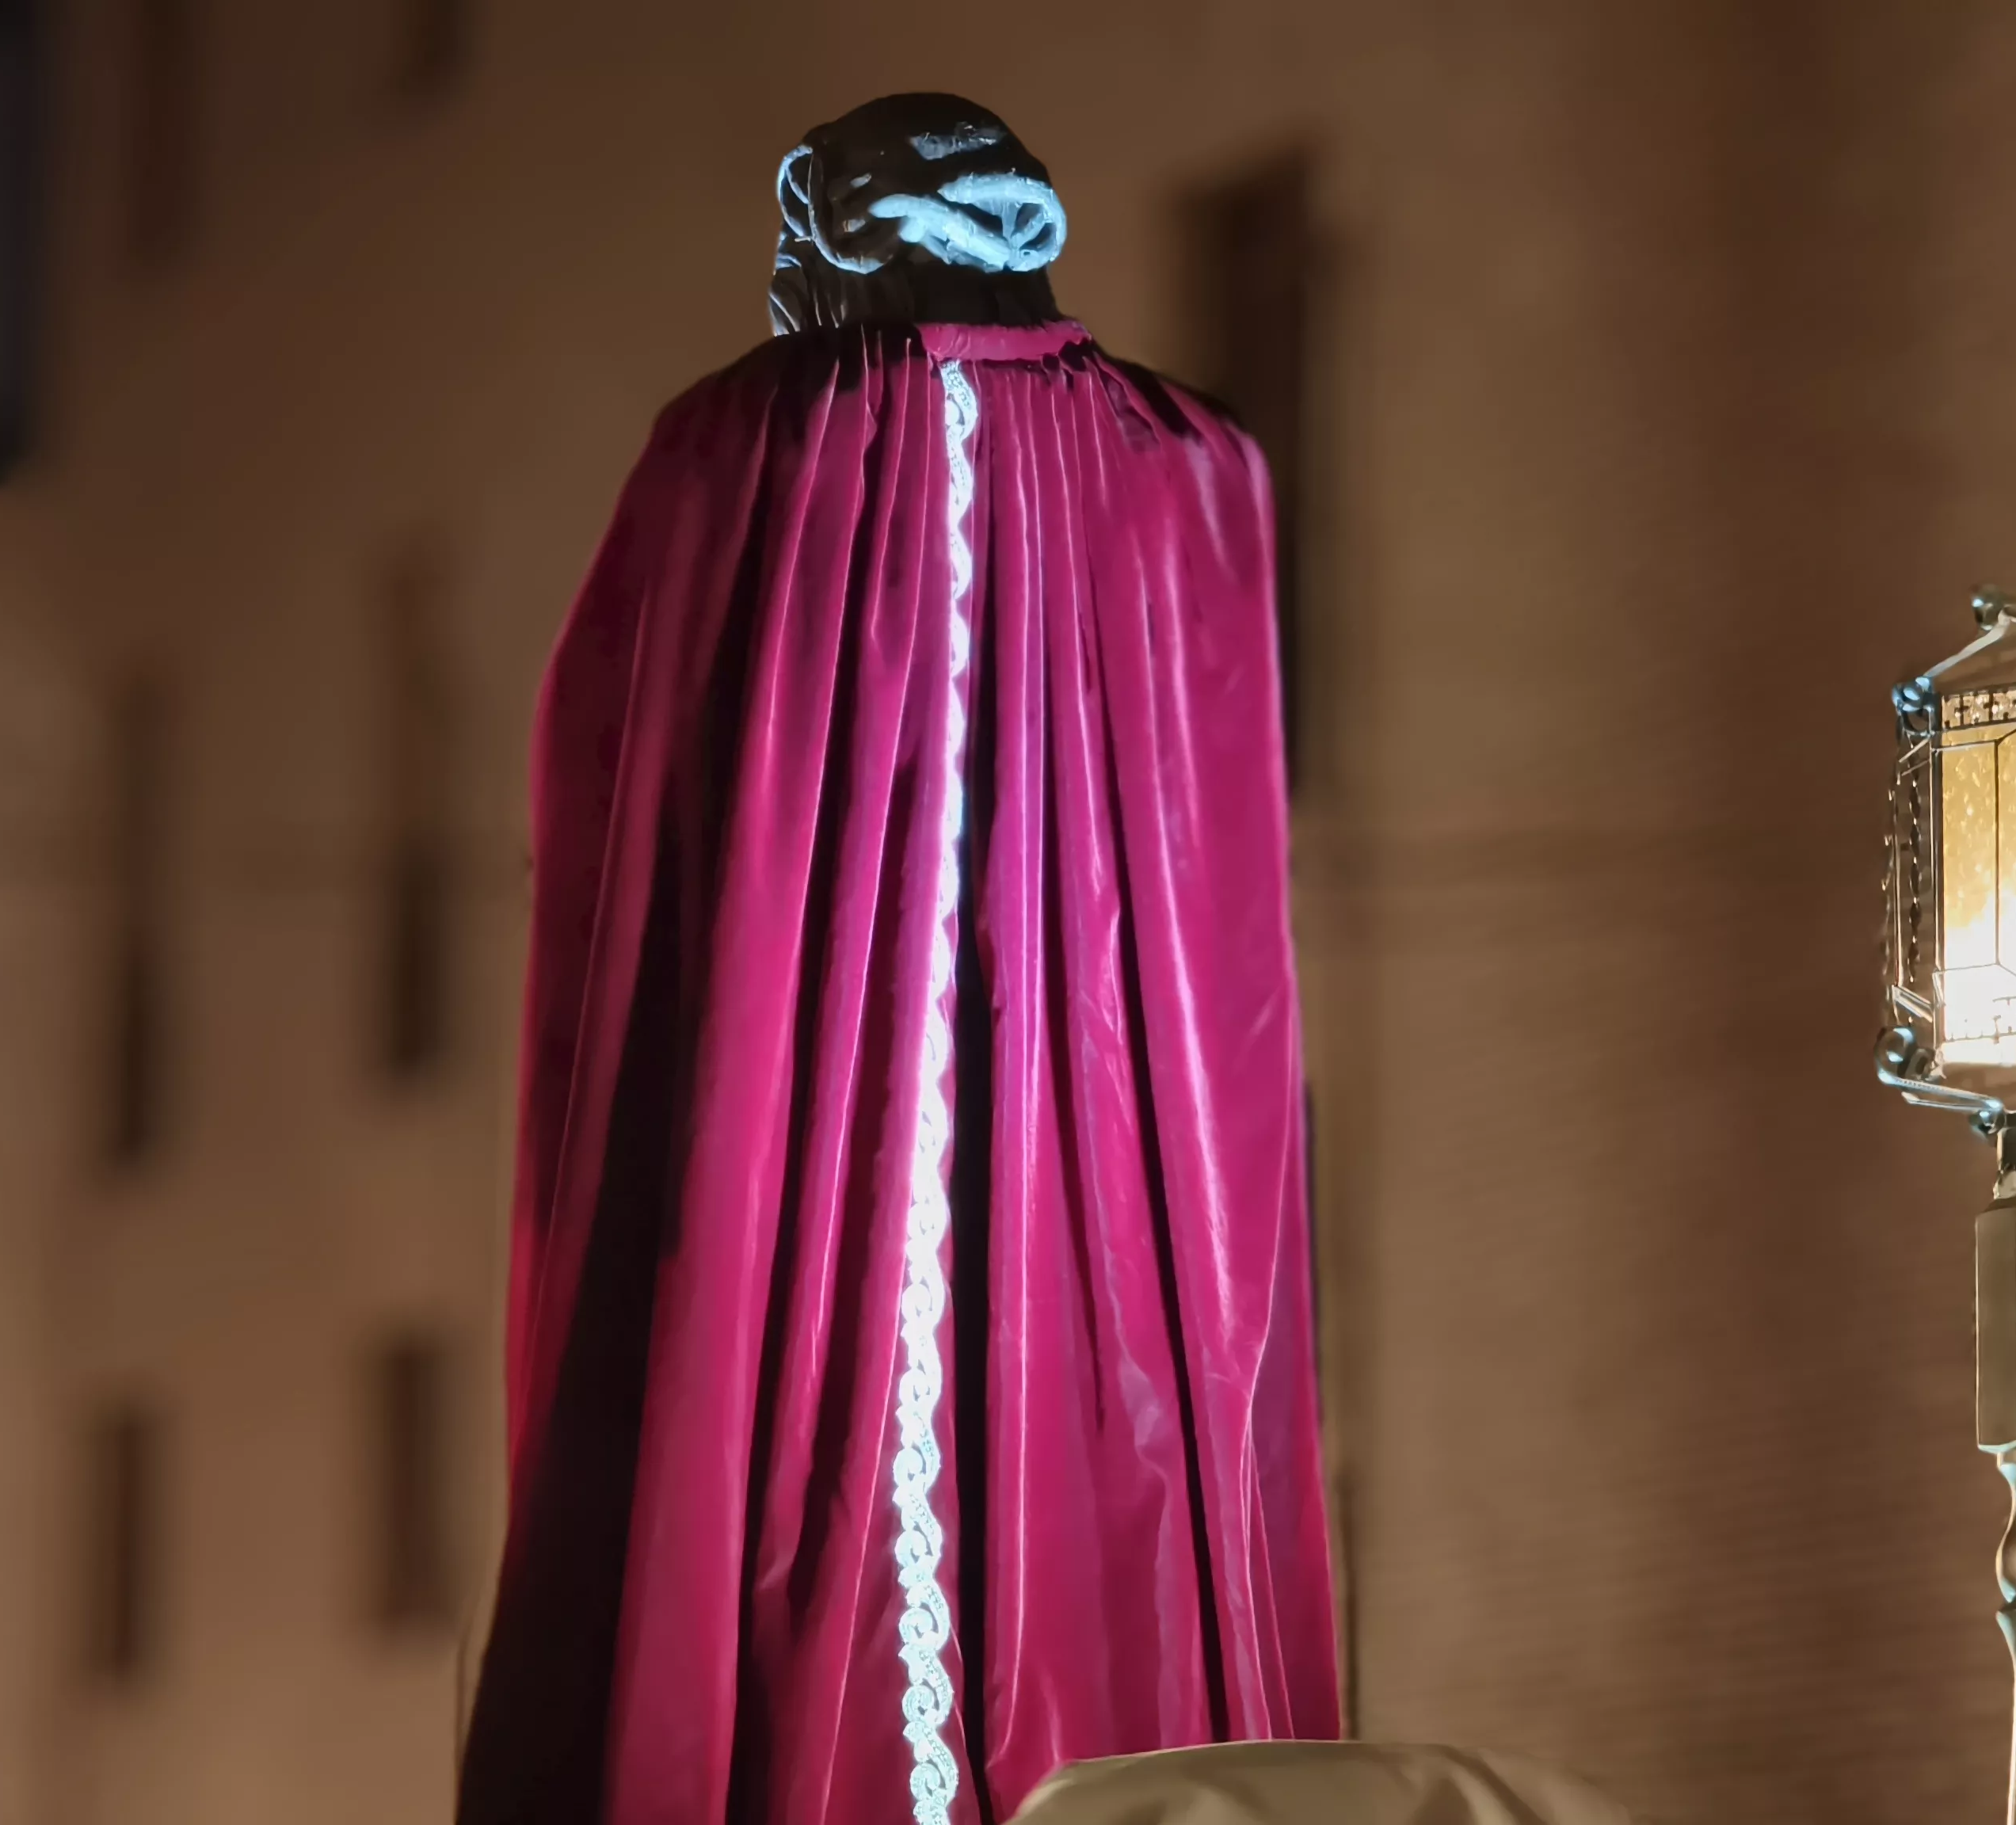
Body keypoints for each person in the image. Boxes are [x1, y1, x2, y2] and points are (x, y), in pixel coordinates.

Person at [459, 95, 1340, 1825]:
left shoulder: (739, 449)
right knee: (1106, 1400)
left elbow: (636, 823)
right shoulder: (1193, 469)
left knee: (814, 1382)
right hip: (1104, 1134)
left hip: (811, 1127)